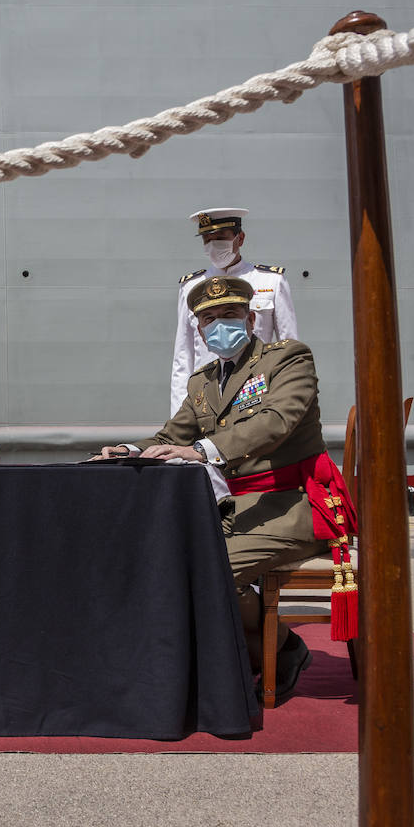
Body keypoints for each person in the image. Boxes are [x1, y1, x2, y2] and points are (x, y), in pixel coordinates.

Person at [98, 275, 355, 704]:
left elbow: (276, 420)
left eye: (230, 314)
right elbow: (170, 435)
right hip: (242, 505)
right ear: (199, 329)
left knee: (212, 569)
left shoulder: (287, 358)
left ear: (251, 318)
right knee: (175, 561)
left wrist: (202, 450)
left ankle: (274, 651)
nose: (219, 325)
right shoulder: (202, 383)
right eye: (209, 319)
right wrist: (126, 449)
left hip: (298, 501)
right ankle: (270, 650)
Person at [171, 208, 298, 415]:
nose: (213, 246)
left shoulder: (271, 281)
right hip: (206, 396)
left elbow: (289, 350)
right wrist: (179, 414)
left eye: (220, 238)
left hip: (255, 393)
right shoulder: (190, 287)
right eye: (207, 240)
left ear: (240, 238)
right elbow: (182, 357)